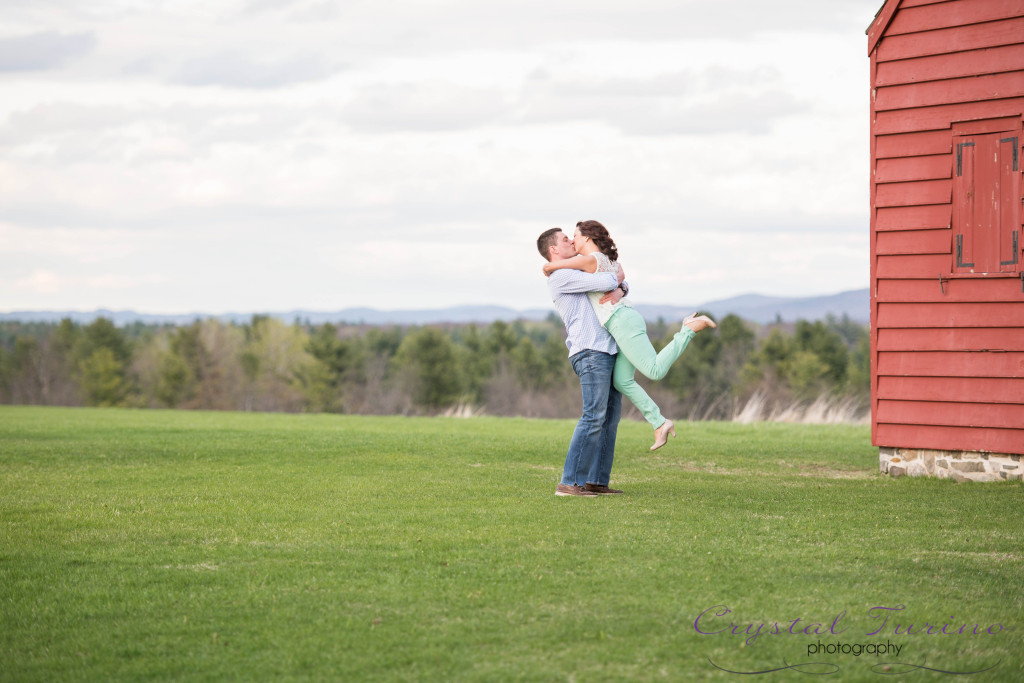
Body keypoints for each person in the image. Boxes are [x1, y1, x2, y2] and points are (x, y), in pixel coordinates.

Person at [543, 220, 716, 451]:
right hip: (619, 323)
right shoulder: (601, 260)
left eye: (574, 236)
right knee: (621, 380)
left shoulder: (588, 259)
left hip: (622, 321)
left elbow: (564, 268)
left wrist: (548, 268)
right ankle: (659, 422)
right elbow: (619, 274)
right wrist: (621, 286)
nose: (572, 240)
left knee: (654, 370)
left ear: (586, 238)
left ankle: (688, 330)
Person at [537, 227, 626, 497]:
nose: (570, 240)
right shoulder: (561, 276)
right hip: (589, 351)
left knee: (609, 419)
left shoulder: (575, 270)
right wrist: (617, 281)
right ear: (554, 250)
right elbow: (605, 281)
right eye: (565, 239)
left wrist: (621, 287)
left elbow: (616, 281)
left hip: (606, 349)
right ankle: (569, 482)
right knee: (593, 416)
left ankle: (596, 481)